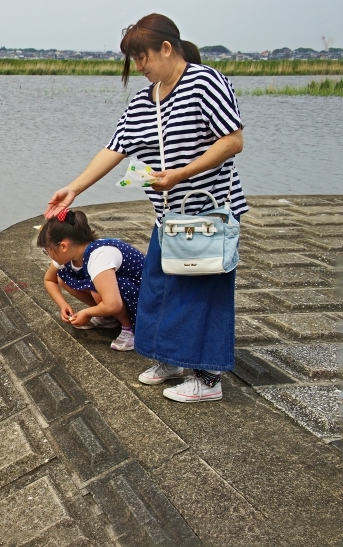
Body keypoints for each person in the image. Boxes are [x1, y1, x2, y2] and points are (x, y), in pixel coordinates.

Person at [44, 13, 247, 403]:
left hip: (208, 213)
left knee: (202, 294)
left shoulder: (206, 83)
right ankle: (170, 358)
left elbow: (232, 141)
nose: (139, 67)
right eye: (134, 60)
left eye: (142, 57)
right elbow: (114, 149)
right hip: (168, 218)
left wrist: (180, 173)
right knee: (159, 289)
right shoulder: (144, 100)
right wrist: (73, 188)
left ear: (166, 48)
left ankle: (207, 379)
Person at [38, 209, 145, 351]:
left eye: (47, 250)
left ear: (63, 246)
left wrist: (88, 313)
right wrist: (63, 304)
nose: (49, 255)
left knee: (98, 289)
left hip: (144, 293)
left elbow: (113, 303)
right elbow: (50, 280)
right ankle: (110, 318)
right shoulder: (70, 253)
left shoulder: (98, 256)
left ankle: (130, 329)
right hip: (124, 293)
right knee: (63, 278)